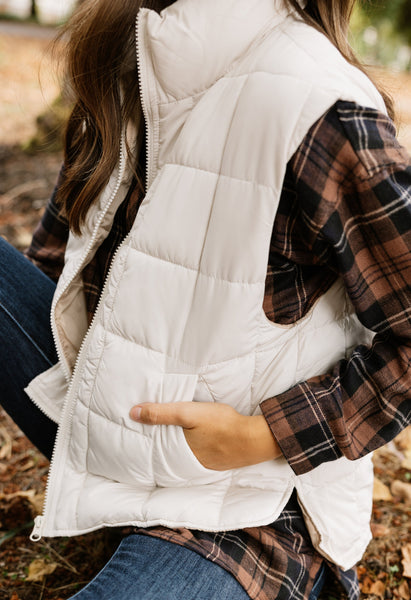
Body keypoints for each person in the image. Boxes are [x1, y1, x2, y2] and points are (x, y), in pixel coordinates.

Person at [1, 0, 410, 598]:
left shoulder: (322, 108)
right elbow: (55, 273)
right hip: (113, 435)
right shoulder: (127, 53)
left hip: (248, 506)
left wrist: (263, 437)